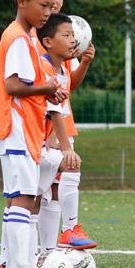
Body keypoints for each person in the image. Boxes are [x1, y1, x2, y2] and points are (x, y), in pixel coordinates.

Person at [0, 0, 65, 268]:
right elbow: (12, 85)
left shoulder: (28, 37)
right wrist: (46, 87)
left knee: (16, 201)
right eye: (43, 5)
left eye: (51, 6)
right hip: (17, 127)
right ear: (22, 1)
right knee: (23, 199)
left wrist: (46, 91)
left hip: (21, 128)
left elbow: (26, 84)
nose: (48, 12)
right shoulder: (19, 37)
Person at [38, 0, 98, 252]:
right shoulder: (40, 36)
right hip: (42, 119)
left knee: (59, 181)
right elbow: (44, 86)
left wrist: (84, 62)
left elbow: (67, 85)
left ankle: (59, 240)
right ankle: (18, 257)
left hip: (61, 115)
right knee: (35, 193)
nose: (57, 1)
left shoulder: (64, 34)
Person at [35, 14, 83, 254]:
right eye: (66, 35)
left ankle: (49, 252)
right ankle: (13, 260)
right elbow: (51, 109)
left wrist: (58, 140)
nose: (73, 40)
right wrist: (65, 147)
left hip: (46, 141)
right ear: (48, 42)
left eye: (73, 35)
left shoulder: (62, 69)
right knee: (29, 198)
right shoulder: (42, 66)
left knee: (53, 188)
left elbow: (58, 111)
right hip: (31, 141)